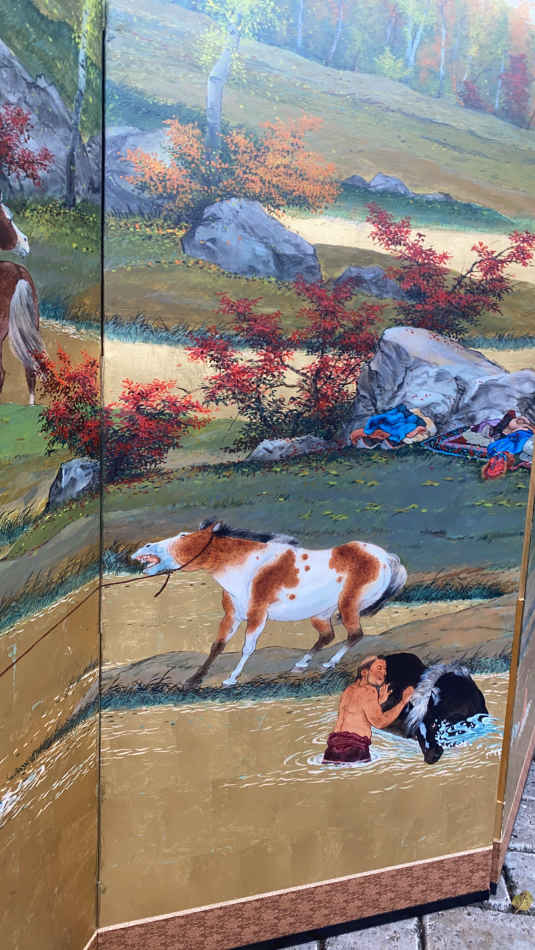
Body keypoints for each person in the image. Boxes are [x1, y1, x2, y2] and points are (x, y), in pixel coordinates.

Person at [323, 655, 414, 764]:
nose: (384, 673)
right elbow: (380, 722)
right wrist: (403, 701)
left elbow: (358, 711)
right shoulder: (369, 691)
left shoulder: (349, 690)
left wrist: (378, 702)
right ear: (364, 672)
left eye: (385, 670)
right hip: (354, 749)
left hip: (332, 750)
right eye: (379, 668)